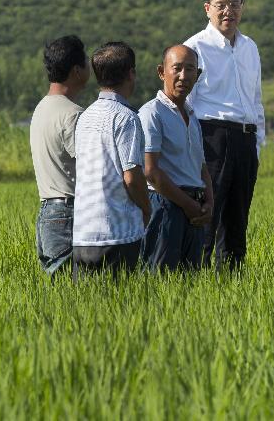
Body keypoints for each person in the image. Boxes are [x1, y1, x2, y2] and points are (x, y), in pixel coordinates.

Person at [185, 0, 265, 269]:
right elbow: (186, 105)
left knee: (237, 224)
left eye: (234, 4)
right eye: (220, 5)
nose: (228, 11)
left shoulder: (250, 48)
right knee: (207, 219)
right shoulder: (194, 47)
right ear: (207, 8)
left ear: (242, 7)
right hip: (212, 140)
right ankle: (198, 285)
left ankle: (230, 286)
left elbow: (255, 100)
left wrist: (257, 144)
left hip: (245, 140)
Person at [72, 42, 151, 278]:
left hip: (83, 233)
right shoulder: (127, 118)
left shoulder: (85, 117)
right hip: (117, 233)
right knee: (120, 309)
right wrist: (147, 209)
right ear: (131, 74)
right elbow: (131, 177)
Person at [139, 45, 215, 271]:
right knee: (160, 281)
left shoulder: (193, 116)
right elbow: (151, 172)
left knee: (190, 285)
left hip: (194, 207)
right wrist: (188, 204)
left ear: (198, 75)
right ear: (162, 72)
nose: (183, 76)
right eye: (177, 68)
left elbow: (201, 168)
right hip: (165, 206)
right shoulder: (151, 113)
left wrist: (209, 202)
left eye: (190, 69)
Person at [29, 35, 90, 277]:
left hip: (48, 211)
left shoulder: (42, 107)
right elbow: (89, 166)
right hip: (69, 212)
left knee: (60, 294)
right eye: (86, 60)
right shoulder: (73, 115)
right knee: (77, 293)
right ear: (76, 70)